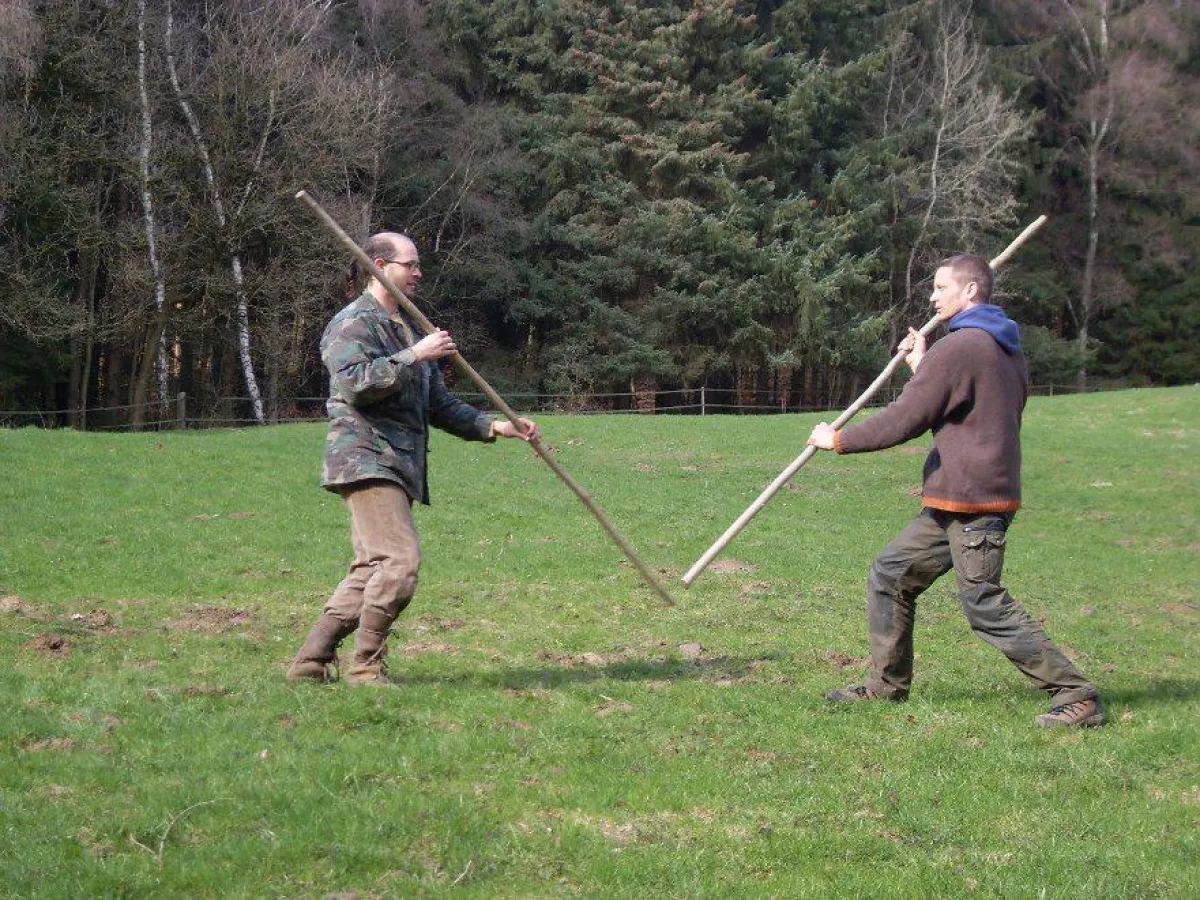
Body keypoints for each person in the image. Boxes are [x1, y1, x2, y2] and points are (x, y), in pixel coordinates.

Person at [807, 254, 1105, 727]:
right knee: (891, 574)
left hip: (975, 501)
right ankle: (885, 688)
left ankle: (1077, 694)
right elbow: (965, 403)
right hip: (957, 499)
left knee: (984, 603)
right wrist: (925, 366)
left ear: (970, 292)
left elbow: (905, 419)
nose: (931, 296)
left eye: (941, 287)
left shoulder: (962, 348)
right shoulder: (1002, 346)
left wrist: (839, 440)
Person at [287, 231, 539, 686]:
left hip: (398, 464)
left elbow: (438, 406)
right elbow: (356, 384)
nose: (419, 272)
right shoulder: (352, 324)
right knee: (400, 562)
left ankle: (310, 661)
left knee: (371, 570)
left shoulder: (409, 327)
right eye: (411, 264)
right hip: (365, 458)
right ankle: (366, 666)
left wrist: (498, 427)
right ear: (380, 266)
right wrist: (414, 355)